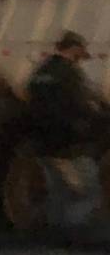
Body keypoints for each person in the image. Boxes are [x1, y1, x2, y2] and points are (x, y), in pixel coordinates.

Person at [27, 30, 104, 229]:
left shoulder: (42, 71)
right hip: (69, 143)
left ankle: (53, 233)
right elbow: (81, 105)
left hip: (43, 142)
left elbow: (32, 99)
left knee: (58, 190)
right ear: (74, 49)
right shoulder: (69, 73)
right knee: (87, 191)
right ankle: (74, 234)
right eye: (81, 53)